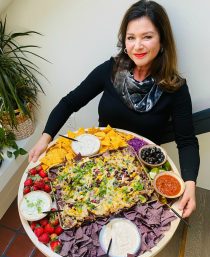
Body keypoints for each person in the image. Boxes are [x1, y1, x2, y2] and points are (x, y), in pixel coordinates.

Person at [29, 0, 199, 218]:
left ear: (163, 41)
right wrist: (46, 137)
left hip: (140, 174)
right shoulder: (110, 69)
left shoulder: (175, 88)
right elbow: (69, 102)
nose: (137, 46)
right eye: (131, 38)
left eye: (147, 37)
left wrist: (190, 185)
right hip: (98, 161)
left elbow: (187, 142)